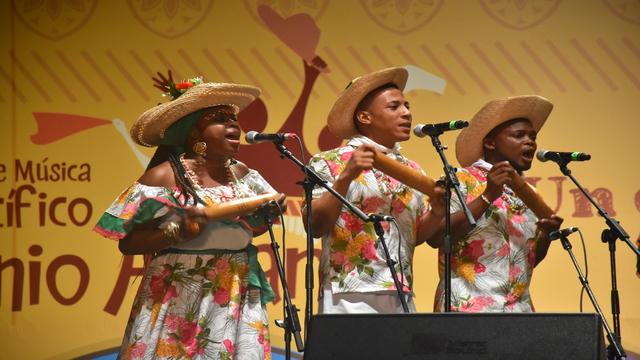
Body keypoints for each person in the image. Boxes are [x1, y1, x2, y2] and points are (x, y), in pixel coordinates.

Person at [94, 74, 283, 359]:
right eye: (220, 118)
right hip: (179, 291)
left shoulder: (244, 175)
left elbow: (250, 230)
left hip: (235, 286)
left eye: (234, 118)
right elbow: (129, 243)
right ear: (194, 133)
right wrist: (177, 231)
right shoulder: (164, 177)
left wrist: (268, 213)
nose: (234, 124)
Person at [305, 67, 444, 314]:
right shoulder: (330, 161)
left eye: (407, 106)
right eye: (394, 107)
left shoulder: (411, 169)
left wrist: (436, 212)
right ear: (365, 117)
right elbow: (314, 226)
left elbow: (415, 236)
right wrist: (346, 176)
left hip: (399, 289)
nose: (406, 114)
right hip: (348, 291)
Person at [425, 95, 563, 312]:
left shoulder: (528, 194)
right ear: (490, 142)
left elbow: (527, 261)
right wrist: (488, 195)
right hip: (466, 309)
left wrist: (546, 235)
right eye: (519, 135)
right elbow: (435, 237)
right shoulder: (458, 180)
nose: (530, 142)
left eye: (532, 137)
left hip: (519, 311)